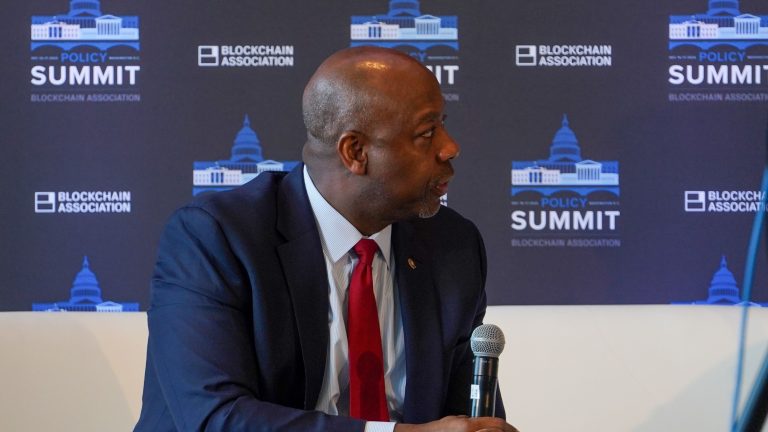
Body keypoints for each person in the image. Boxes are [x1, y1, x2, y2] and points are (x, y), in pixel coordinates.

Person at [135, 46, 518, 432]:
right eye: (427, 133)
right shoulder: (216, 239)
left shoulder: (453, 246)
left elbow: (464, 417)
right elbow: (215, 418)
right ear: (355, 152)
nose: (450, 147)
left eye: (443, 126)